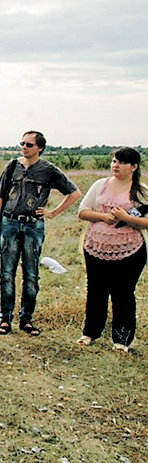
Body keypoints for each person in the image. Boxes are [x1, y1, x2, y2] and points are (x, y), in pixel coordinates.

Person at [0, 131, 81, 336]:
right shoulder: (13, 166)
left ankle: (27, 319)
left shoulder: (48, 170)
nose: (24, 147)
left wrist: (53, 213)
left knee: (31, 275)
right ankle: (5, 319)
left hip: (34, 227)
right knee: (7, 274)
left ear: (39, 148)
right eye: (22, 143)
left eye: (29, 144)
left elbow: (74, 193)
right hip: (10, 223)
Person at [76, 147, 147, 353]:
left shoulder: (141, 191)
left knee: (123, 293)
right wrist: (104, 217)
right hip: (96, 247)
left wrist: (126, 218)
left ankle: (121, 340)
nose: (115, 165)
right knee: (96, 291)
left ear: (134, 167)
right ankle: (90, 332)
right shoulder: (100, 185)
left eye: (121, 162)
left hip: (130, 250)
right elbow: (83, 211)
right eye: (114, 161)